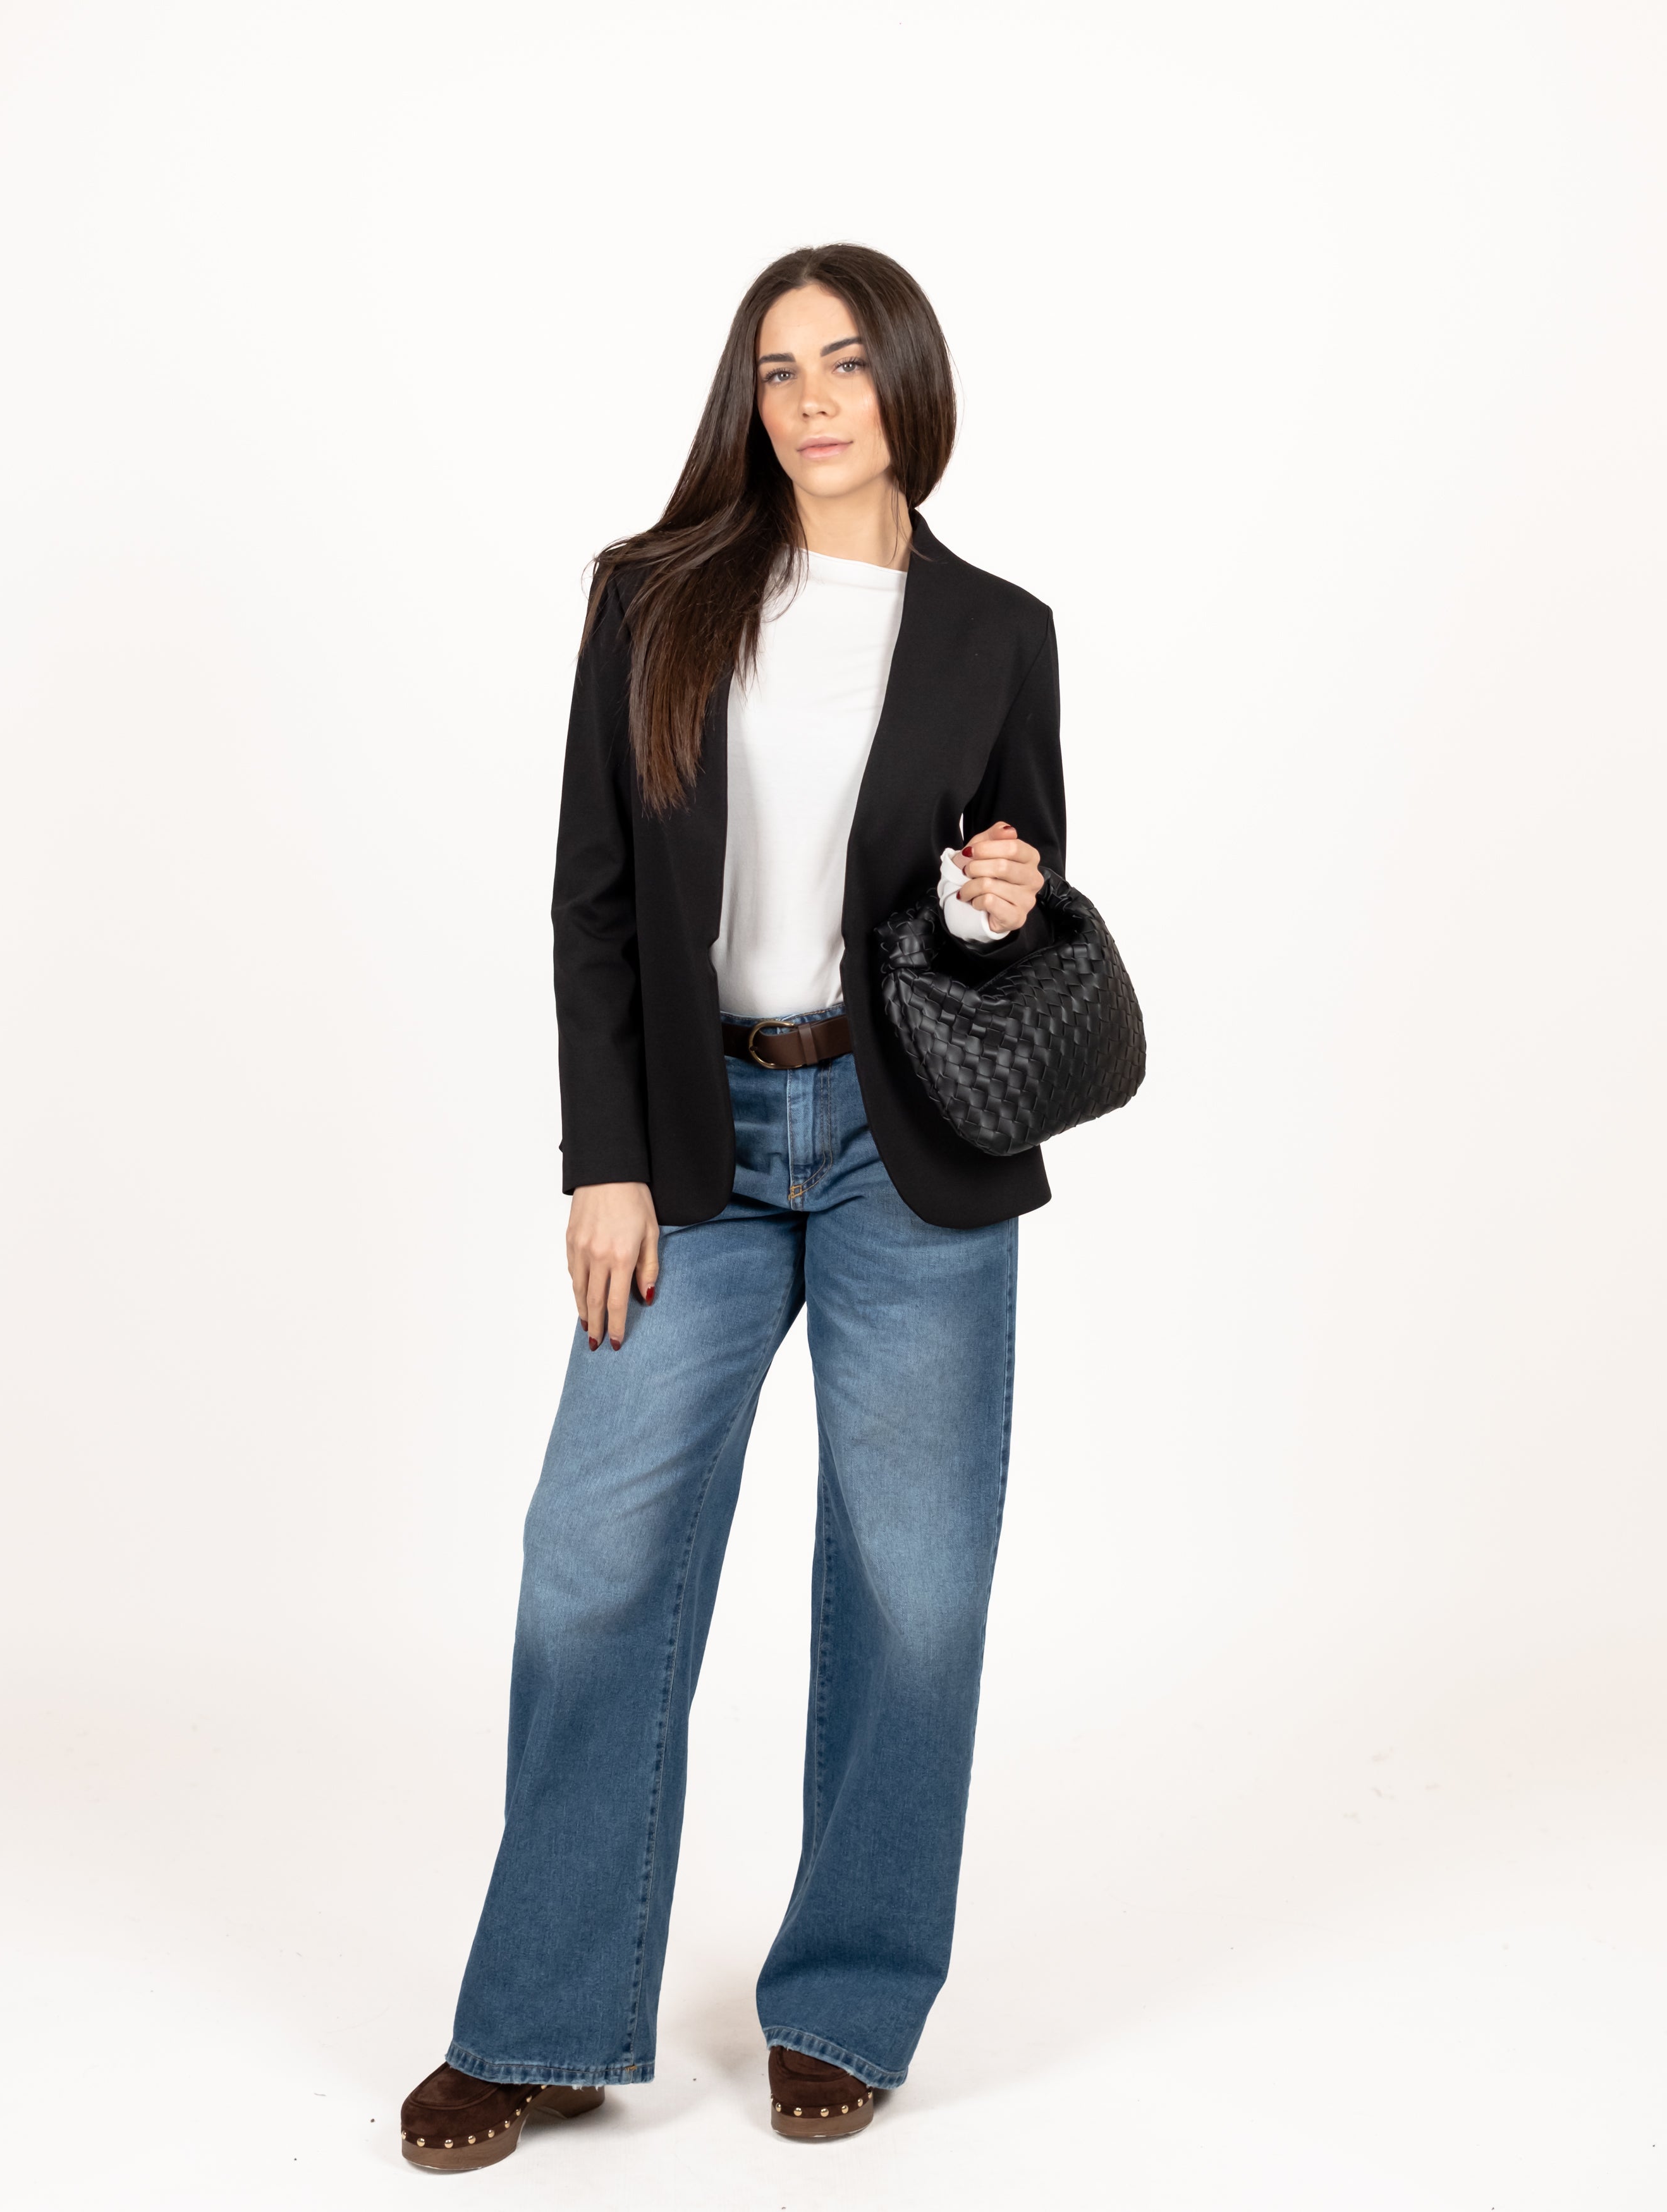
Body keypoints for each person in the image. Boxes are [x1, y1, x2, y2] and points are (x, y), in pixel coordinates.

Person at [400, 242, 1065, 2172]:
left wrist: (1002, 900)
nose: (812, 397)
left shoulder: (998, 631)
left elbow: (1018, 923)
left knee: (916, 1582)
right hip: (694, 1140)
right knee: (591, 1552)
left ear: (908, 385)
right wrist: (601, 1157)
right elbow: (593, 897)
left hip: (906, 1141)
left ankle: (846, 1996)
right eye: (779, 367)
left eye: (847, 361)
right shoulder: (657, 597)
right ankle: (541, 2018)